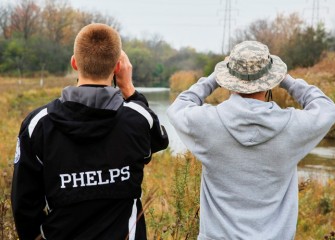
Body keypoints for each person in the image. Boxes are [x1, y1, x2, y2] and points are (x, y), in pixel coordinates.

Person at [11, 23, 169, 240]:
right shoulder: (137, 119)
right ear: (118, 67)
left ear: (74, 63)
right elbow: (158, 140)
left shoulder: (39, 125)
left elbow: (24, 205)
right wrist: (129, 90)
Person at [167, 40, 335, 240]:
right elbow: (326, 108)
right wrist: (287, 80)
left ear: (228, 79)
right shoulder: (291, 126)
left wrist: (213, 78)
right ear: (271, 81)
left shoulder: (209, 123)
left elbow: (178, 107)